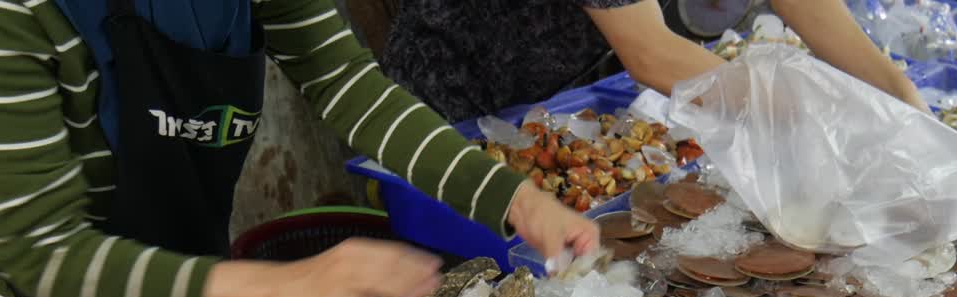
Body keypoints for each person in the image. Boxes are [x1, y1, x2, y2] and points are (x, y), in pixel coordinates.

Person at [0, 0, 599, 297]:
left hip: (199, 296)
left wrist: (514, 199)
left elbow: (347, 84)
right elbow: (40, 249)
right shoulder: (1, 11)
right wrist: (285, 283)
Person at [381, 0, 929, 124]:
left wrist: (893, 89)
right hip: (460, 94)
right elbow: (649, 51)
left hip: (571, 77)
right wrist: (826, 115)